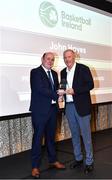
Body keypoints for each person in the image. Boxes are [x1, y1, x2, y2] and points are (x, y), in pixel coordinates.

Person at [29, 52, 65, 178]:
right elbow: (40, 89)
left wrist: (61, 95)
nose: (50, 61)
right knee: (38, 139)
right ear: (42, 59)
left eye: (52, 59)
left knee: (51, 137)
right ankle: (35, 167)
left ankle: (53, 160)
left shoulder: (54, 74)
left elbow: (55, 89)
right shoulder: (35, 72)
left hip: (52, 109)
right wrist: (56, 95)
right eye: (48, 59)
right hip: (39, 111)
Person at [59, 49, 94, 173]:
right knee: (74, 134)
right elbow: (62, 87)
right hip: (69, 106)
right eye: (65, 57)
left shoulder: (83, 68)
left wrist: (75, 90)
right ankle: (78, 158)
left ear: (74, 57)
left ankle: (89, 162)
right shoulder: (63, 72)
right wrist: (61, 95)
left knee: (86, 135)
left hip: (82, 106)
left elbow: (90, 85)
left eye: (69, 57)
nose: (67, 59)